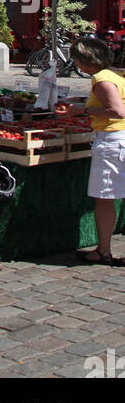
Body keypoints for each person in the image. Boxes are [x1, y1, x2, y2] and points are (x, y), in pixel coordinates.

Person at [70, 35, 125, 265]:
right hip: (118, 138)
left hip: (112, 141)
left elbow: (117, 111)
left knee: (104, 199)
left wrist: (83, 110)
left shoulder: (102, 79)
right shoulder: (115, 74)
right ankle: (103, 250)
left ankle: (103, 251)